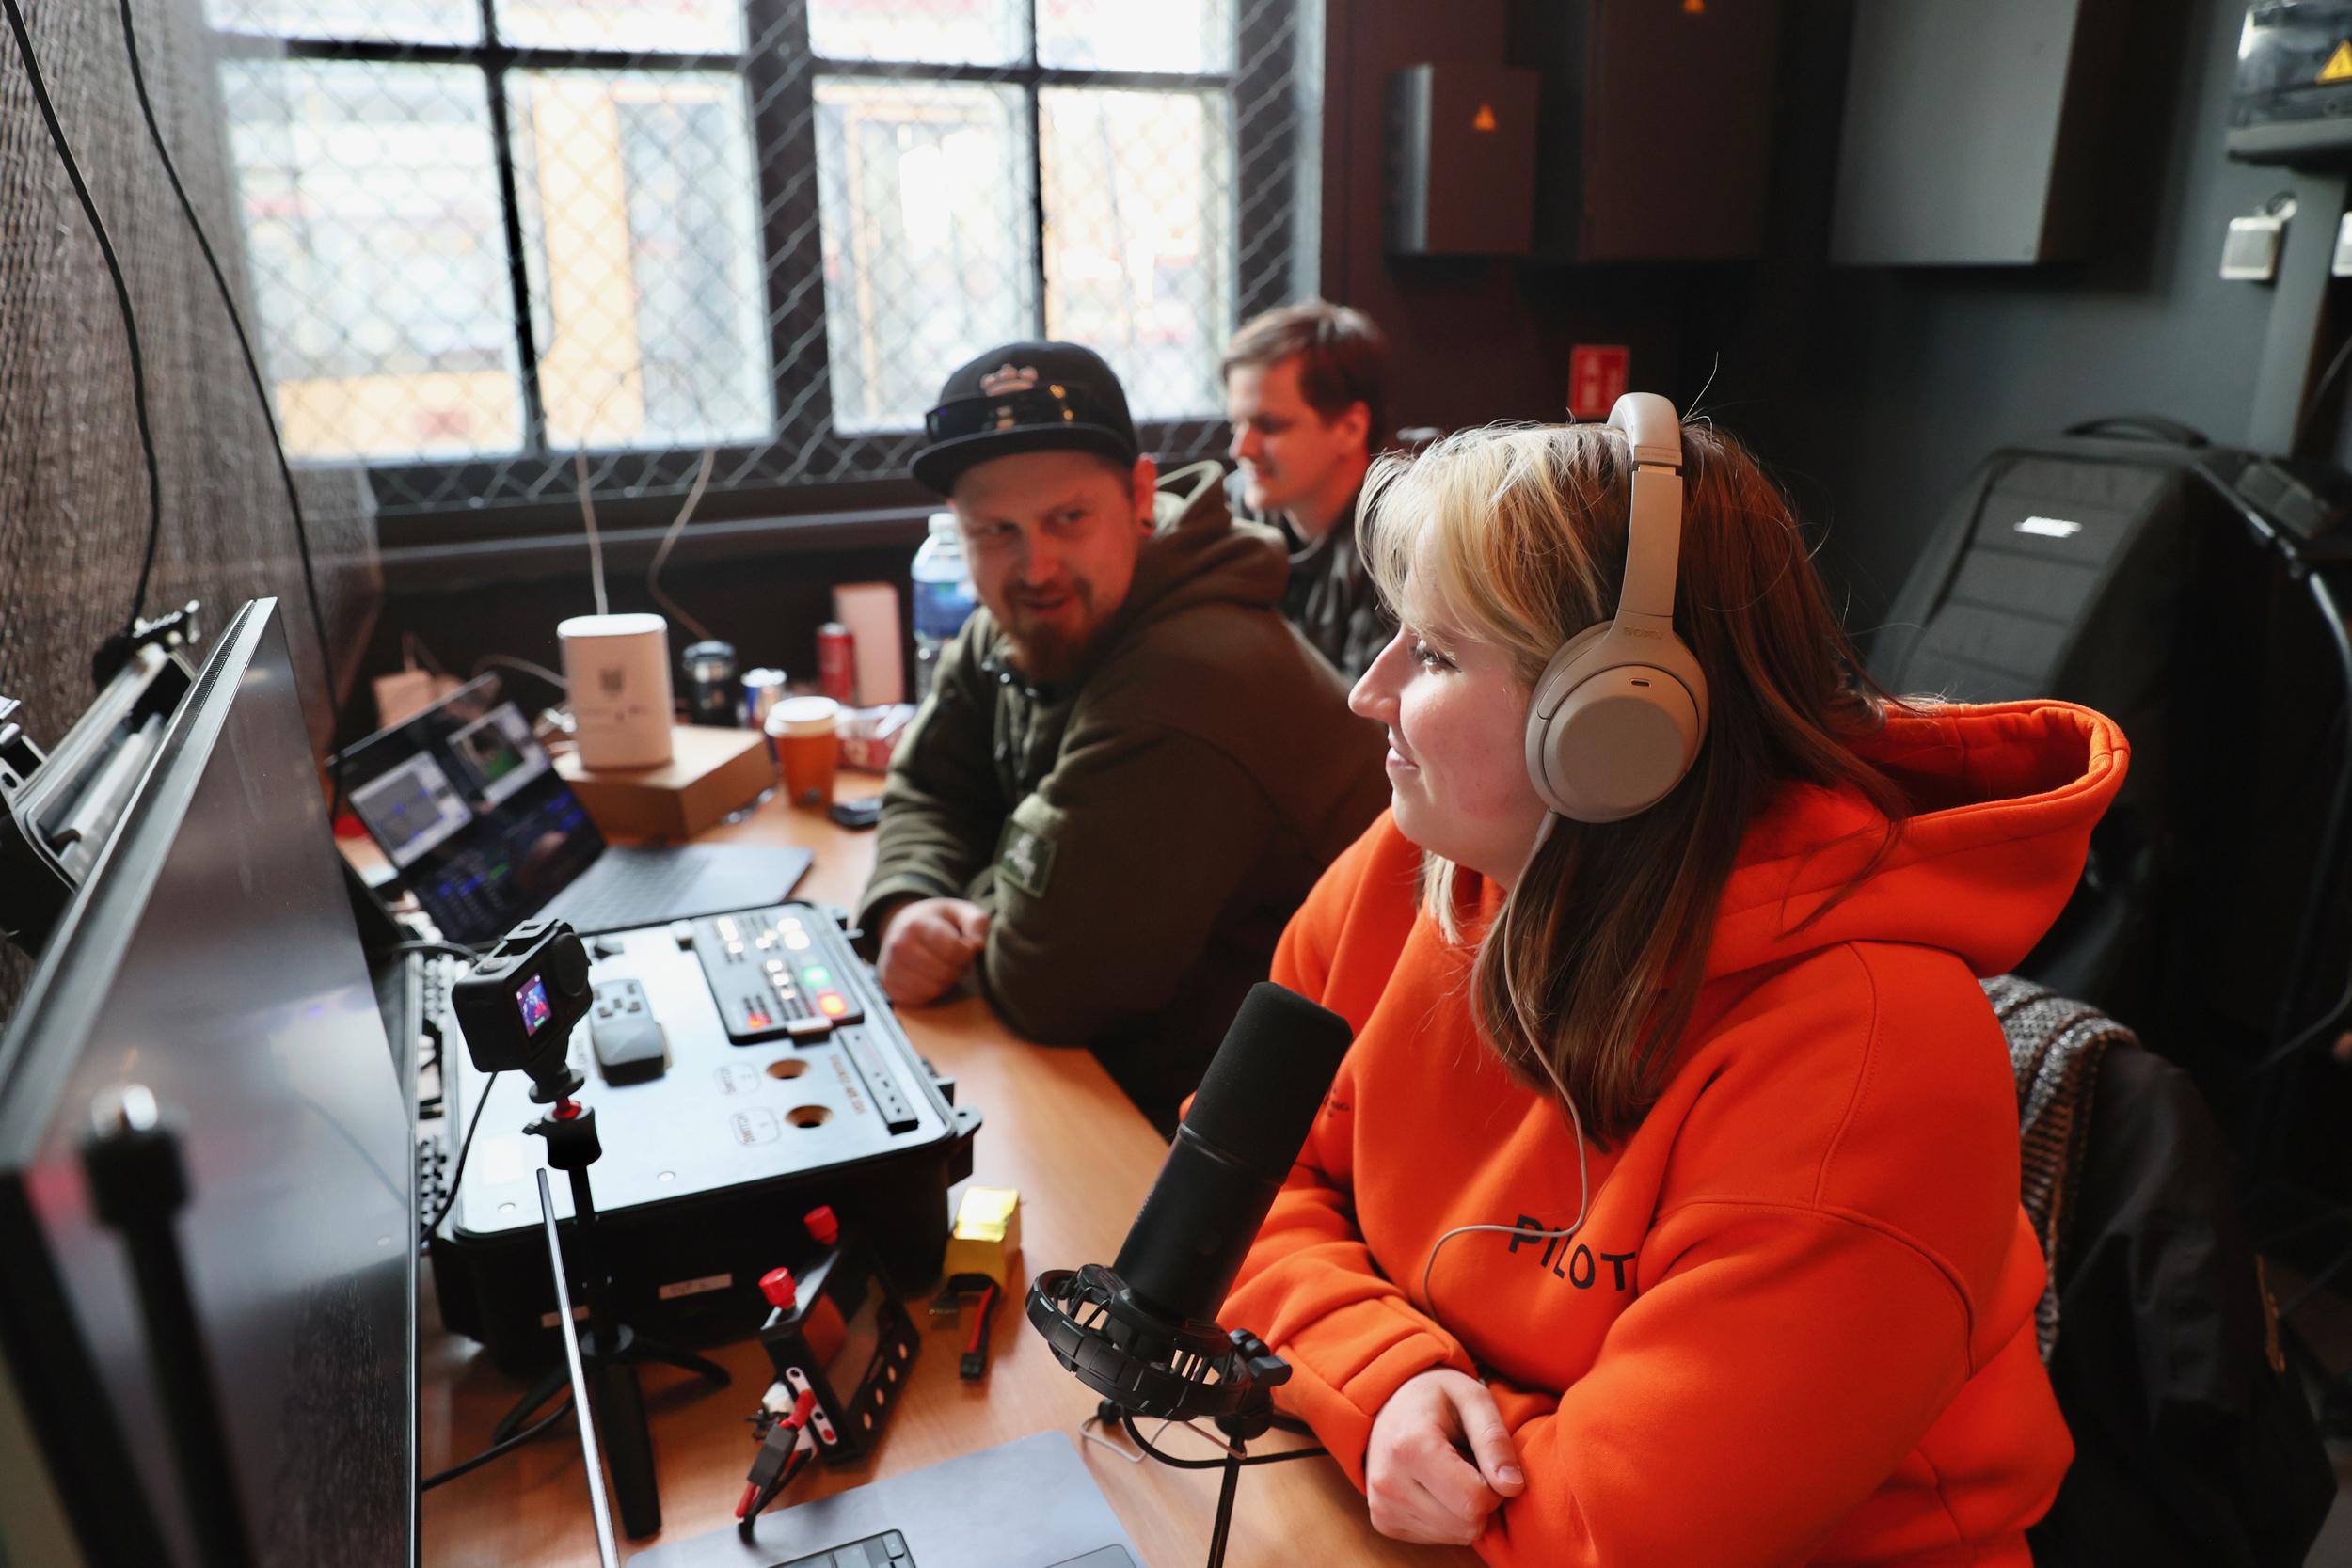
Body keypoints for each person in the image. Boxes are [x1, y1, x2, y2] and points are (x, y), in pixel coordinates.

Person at [1222, 412, 2124, 1561]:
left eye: (1435, 654)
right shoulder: (1420, 859)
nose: (1369, 689)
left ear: (1615, 721)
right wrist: (1384, 1373)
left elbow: (1620, 1533)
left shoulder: (1872, 1059)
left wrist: (1406, 1413)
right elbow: (1233, 1173)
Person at [856, 341, 1391, 1129]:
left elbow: (1048, 981)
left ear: (1142, 496)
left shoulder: (1193, 678)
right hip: (1147, 1079)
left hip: (1301, 1129)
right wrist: (908, 901)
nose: (1035, 566)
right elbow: (930, 785)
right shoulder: (1018, 622)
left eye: (1068, 518)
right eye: (994, 529)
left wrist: (965, 909)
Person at [1222, 300, 1395, 682]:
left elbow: (1367, 712)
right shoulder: (1235, 510)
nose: (1240, 449)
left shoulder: (1397, 542)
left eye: (1268, 426)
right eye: (1236, 425)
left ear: (1350, 429)